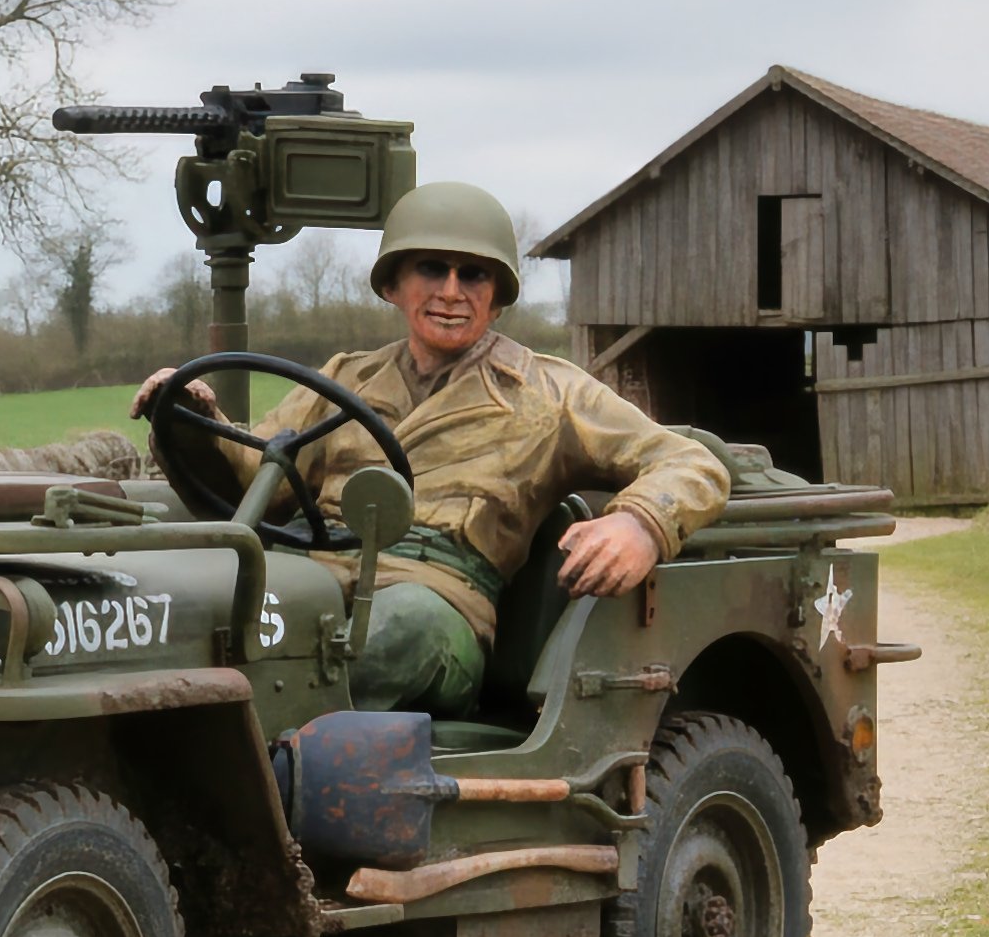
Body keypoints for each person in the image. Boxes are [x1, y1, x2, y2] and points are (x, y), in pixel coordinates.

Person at [130, 181, 731, 717]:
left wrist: (641, 524)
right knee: (192, 608)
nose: (451, 291)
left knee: (392, 634)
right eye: (432, 269)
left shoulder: (551, 393)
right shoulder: (346, 379)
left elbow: (691, 462)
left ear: (497, 296)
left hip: (442, 606)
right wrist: (191, 416)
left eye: (473, 275)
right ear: (394, 284)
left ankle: (257, 771)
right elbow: (258, 479)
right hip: (318, 575)